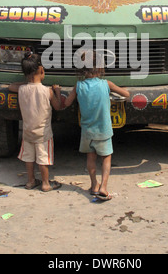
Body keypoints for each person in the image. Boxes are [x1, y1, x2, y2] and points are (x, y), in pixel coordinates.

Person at [65, 50, 130, 201]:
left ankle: (94, 184)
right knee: (106, 158)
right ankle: (104, 187)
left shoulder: (78, 86)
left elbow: (66, 103)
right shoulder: (106, 84)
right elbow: (126, 94)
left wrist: (55, 92)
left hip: (87, 131)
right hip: (104, 130)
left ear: (82, 69)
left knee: (91, 159)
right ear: (100, 67)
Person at [9, 52, 62, 192]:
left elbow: (11, 86)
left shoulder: (21, 89)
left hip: (27, 132)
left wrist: (27, 82)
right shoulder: (47, 91)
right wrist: (57, 91)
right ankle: (45, 183)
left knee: (29, 158)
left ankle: (31, 181)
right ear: (42, 70)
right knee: (43, 158)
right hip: (43, 133)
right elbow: (58, 106)